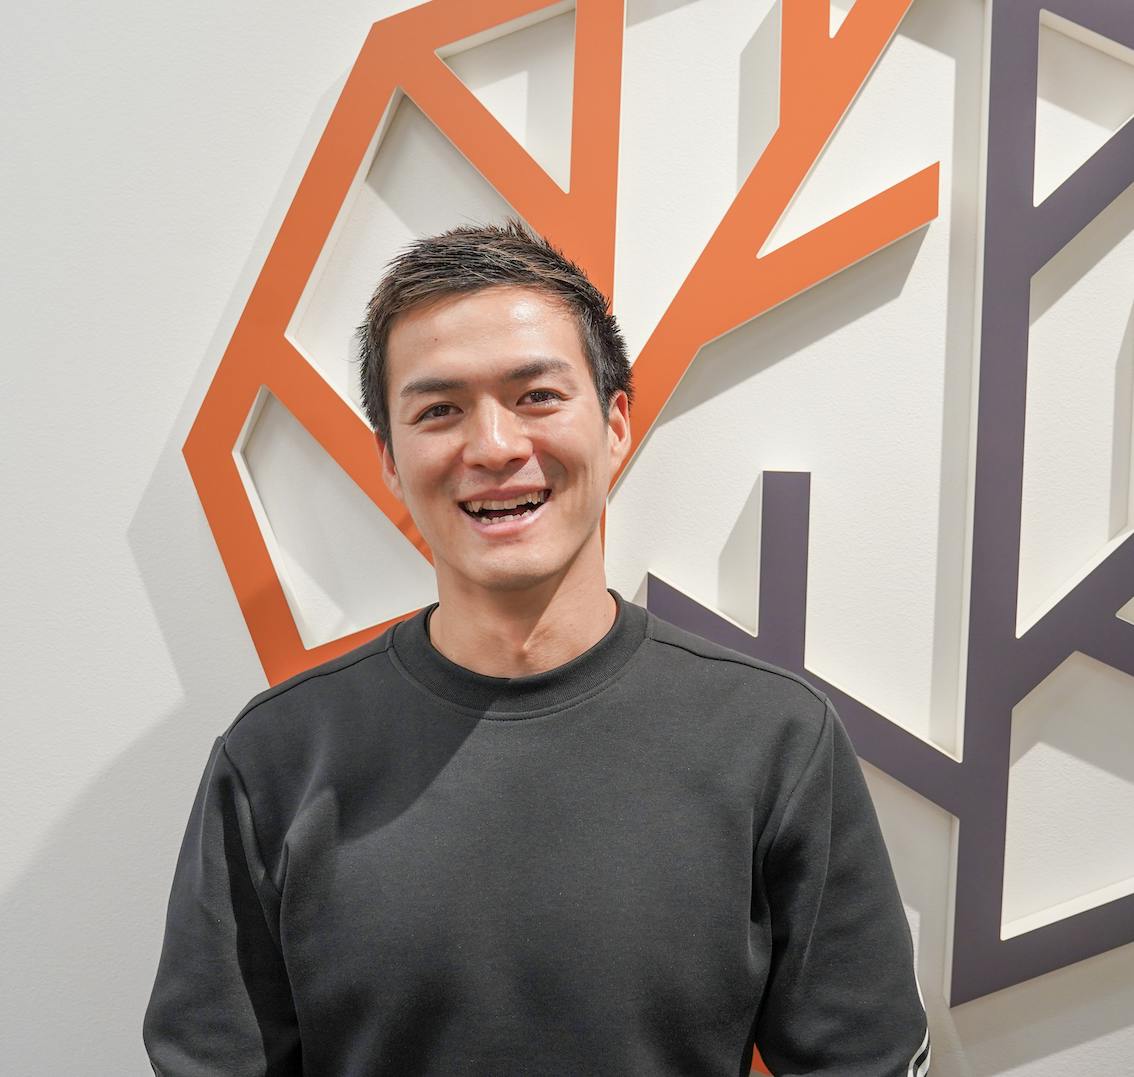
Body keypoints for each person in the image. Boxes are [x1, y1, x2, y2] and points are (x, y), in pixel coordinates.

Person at [143, 217, 931, 1076]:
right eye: (439, 410)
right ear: (390, 460)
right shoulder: (277, 760)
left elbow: (866, 1060)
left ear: (616, 423)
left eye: (538, 396)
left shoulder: (773, 739)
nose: (494, 447)